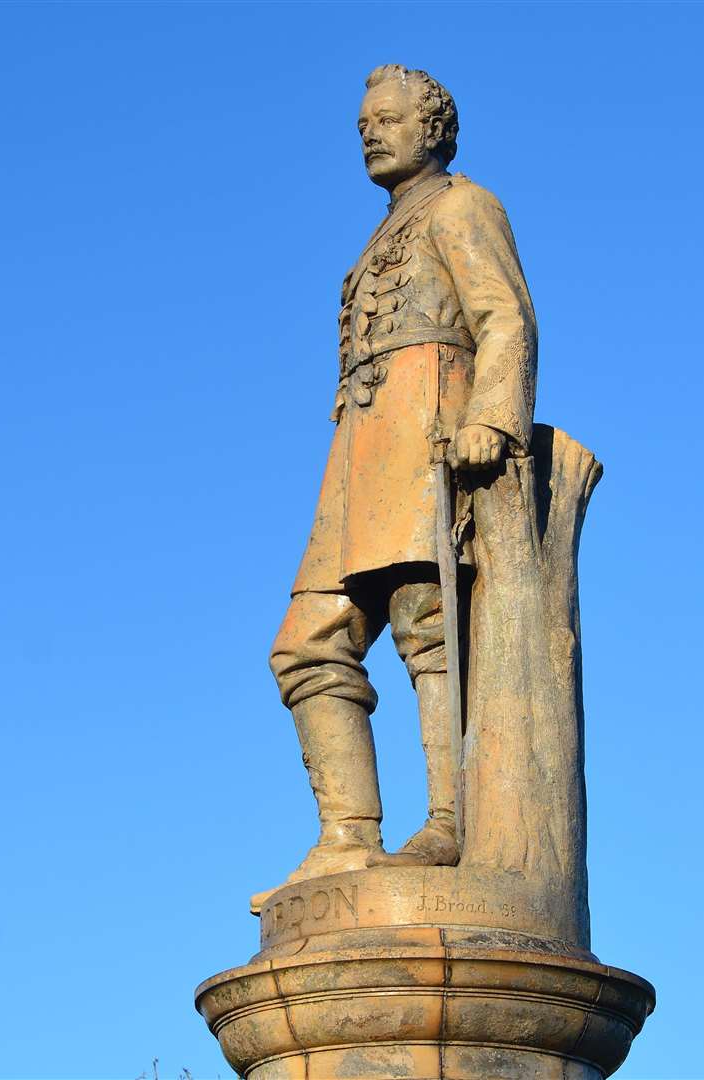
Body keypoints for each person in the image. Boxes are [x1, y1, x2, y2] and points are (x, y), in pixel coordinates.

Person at [252, 65, 538, 913]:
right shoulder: (383, 230)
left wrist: (493, 413)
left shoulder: (462, 206)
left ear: (434, 128)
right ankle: (348, 834)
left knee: (430, 624)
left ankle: (452, 819)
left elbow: (504, 315)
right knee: (305, 641)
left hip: (427, 427)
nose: (372, 132)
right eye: (363, 123)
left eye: (388, 119)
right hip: (357, 450)